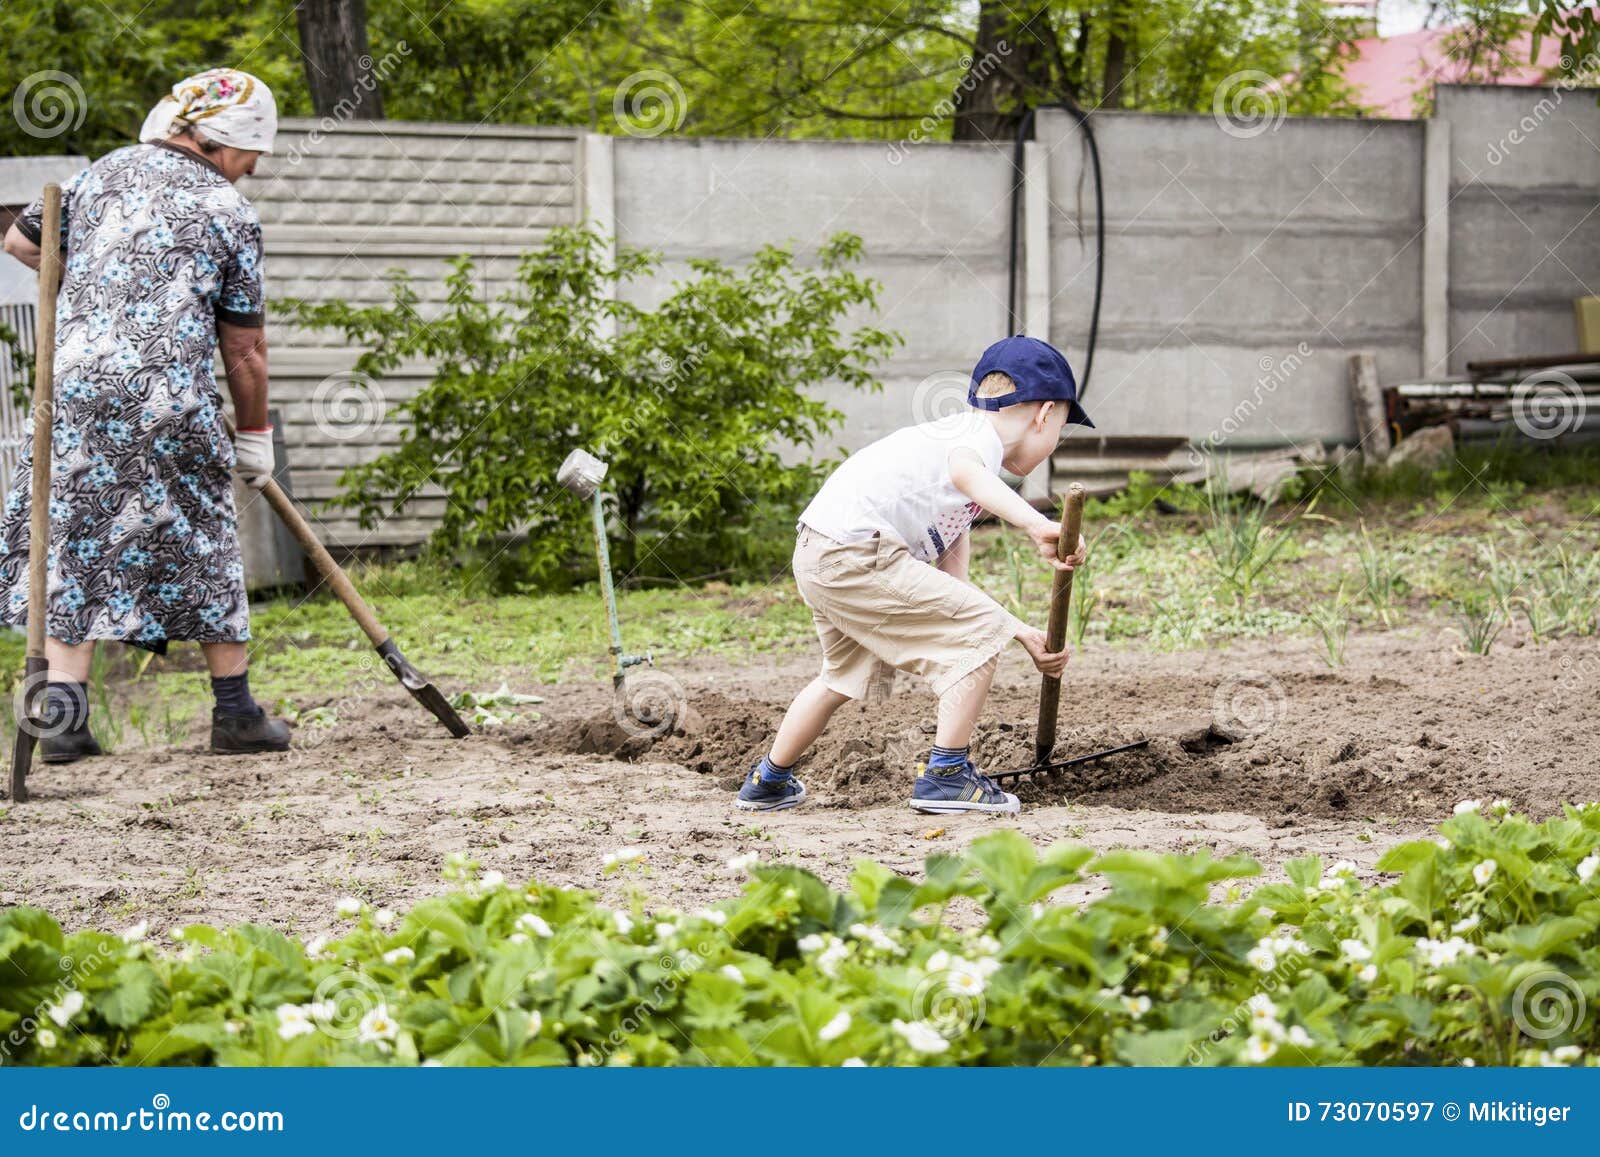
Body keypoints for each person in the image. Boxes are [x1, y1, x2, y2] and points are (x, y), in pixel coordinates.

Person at [0, 68, 291, 761]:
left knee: (77, 536)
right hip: (169, 395)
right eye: (255, 153)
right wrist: (255, 437)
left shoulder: (99, 176)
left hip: (71, 391)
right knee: (203, 533)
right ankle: (236, 713)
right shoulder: (227, 210)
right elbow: (245, 348)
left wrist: (103, 279)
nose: (253, 169)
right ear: (229, 142)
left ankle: (63, 721)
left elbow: (19, 242)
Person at [737, 335, 1093, 815]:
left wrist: (1022, 631)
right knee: (976, 636)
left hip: (821, 553)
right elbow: (969, 474)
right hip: (855, 553)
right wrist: (1036, 524)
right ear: (1045, 412)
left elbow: (953, 591)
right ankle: (945, 776)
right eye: (1062, 429)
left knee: (843, 676)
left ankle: (768, 780)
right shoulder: (973, 443)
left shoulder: (952, 456)